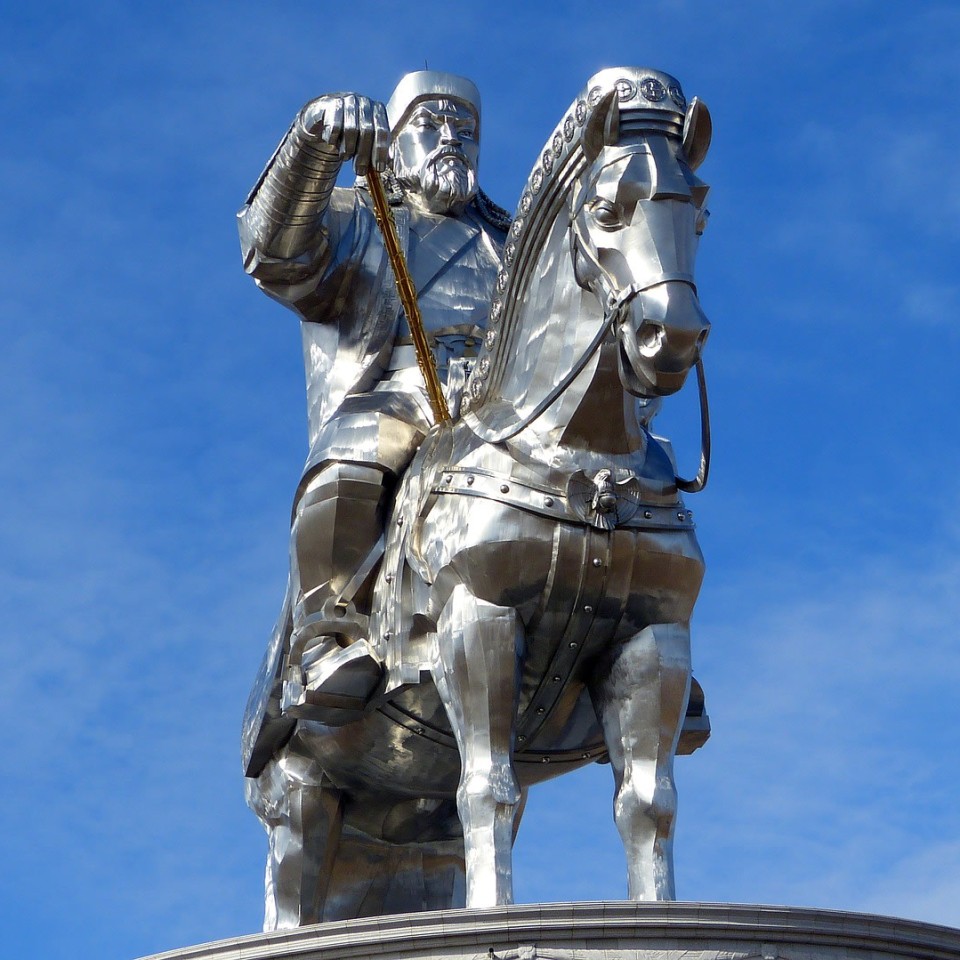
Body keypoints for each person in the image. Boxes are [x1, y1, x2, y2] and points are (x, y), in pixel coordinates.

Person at [238, 75, 508, 920]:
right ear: (394, 139)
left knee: (627, 476)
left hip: (508, 409)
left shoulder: (511, 236)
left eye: (465, 125)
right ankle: (329, 631)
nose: (452, 138)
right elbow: (275, 253)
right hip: (401, 391)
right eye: (431, 121)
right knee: (355, 458)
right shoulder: (364, 218)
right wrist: (314, 144)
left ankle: (630, 653)